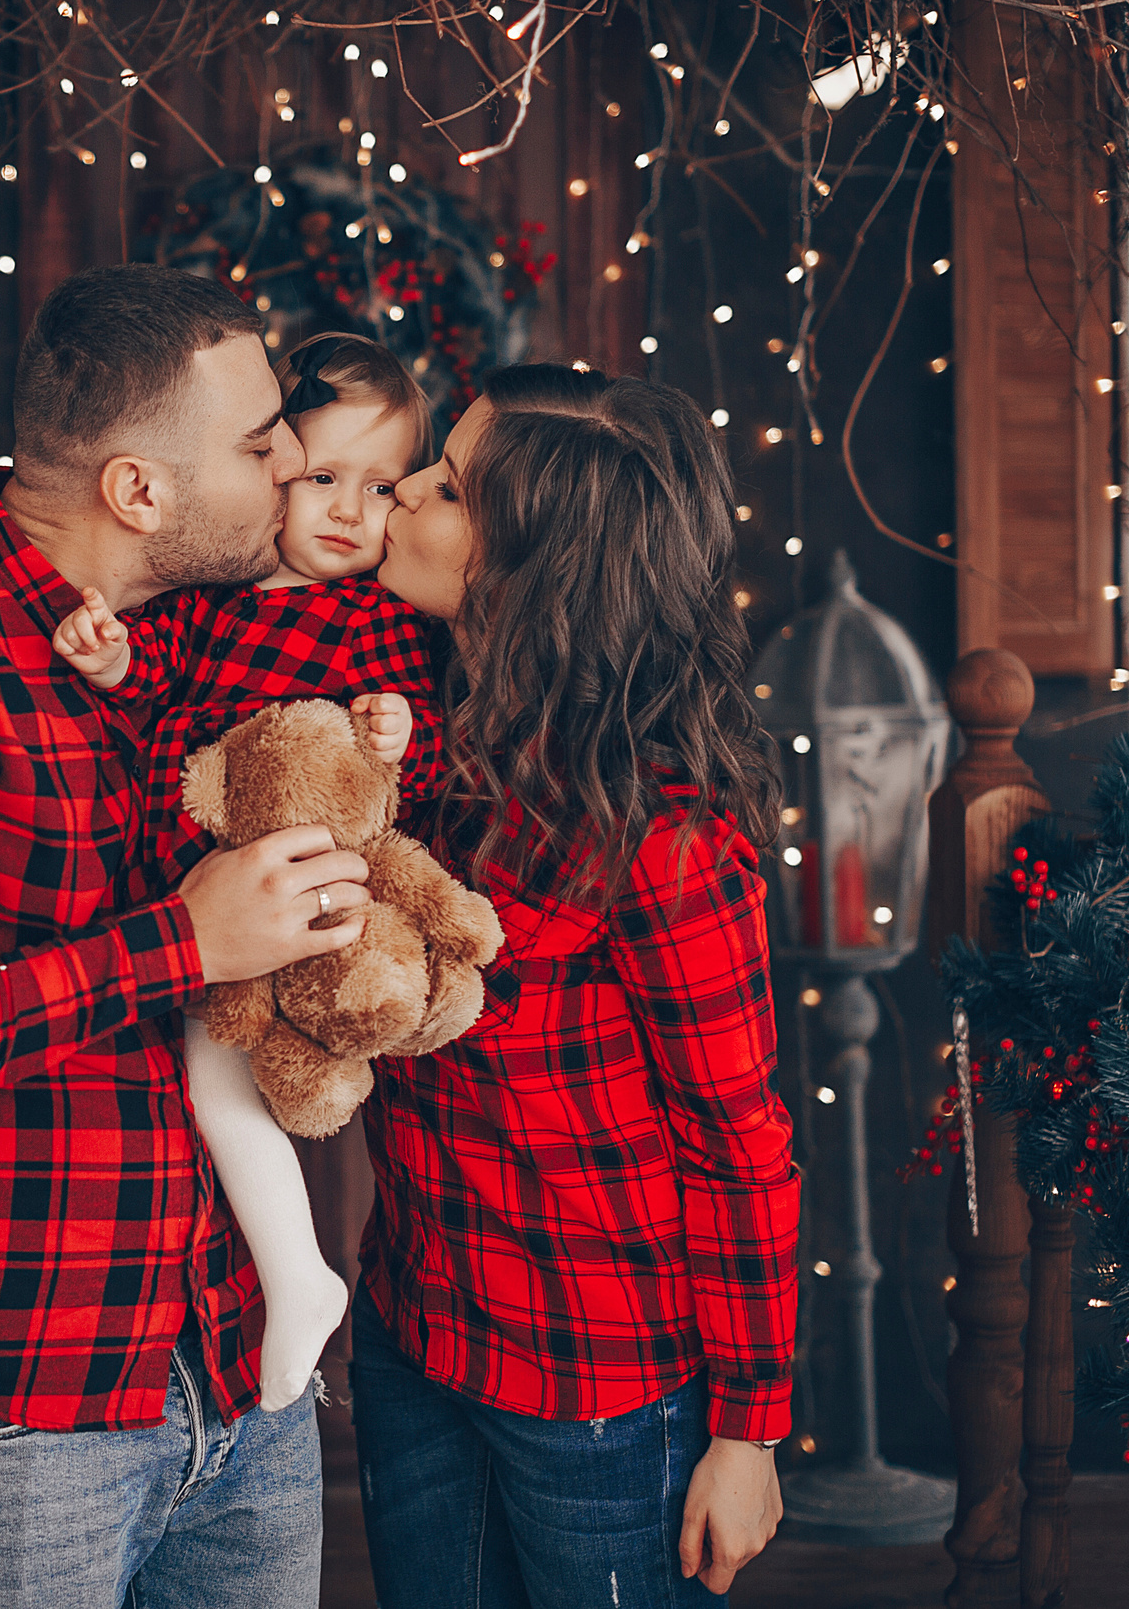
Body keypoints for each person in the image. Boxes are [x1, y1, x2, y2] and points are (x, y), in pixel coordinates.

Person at [0, 265, 373, 1608]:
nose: (294, 471)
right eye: (263, 443)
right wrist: (178, 944)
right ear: (138, 490)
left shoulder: (177, 642)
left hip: (235, 1366)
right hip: (21, 1408)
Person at [352, 364, 799, 1607]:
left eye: (445, 488)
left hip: (598, 1385)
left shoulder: (667, 835)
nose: (406, 490)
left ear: (529, 565)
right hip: (415, 1326)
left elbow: (739, 1138)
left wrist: (748, 1430)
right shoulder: (413, 723)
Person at [49, 331, 449, 1414]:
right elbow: (146, 698)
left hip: (324, 900)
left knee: (319, 1076)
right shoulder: (206, 601)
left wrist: (396, 734)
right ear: (273, 471)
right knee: (215, 1077)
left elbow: (423, 764)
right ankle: (299, 1274)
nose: (350, 513)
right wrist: (113, 660)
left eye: (379, 487)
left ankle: (313, 1275)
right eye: (323, 477)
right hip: (201, 906)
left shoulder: (383, 623)